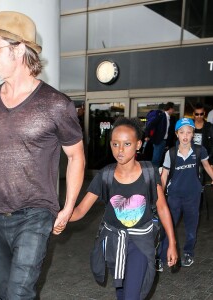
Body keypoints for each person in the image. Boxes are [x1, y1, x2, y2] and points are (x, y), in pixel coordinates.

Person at [0, 11, 85, 300]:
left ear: (18, 49)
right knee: (7, 293)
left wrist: (68, 206)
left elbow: (76, 157)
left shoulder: (56, 104)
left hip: (35, 214)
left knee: (19, 293)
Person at [58, 118, 177, 300]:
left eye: (126, 144)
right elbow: (80, 210)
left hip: (141, 243)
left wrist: (172, 244)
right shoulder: (105, 176)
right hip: (114, 242)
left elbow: (161, 207)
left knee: (131, 295)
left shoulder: (149, 172)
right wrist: (57, 217)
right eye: (115, 144)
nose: (120, 150)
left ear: (138, 144)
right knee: (121, 292)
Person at [159, 118, 213, 268]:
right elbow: (164, 175)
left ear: (193, 134)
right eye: (182, 132)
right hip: (174, 197)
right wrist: (160, 196)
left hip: (193, 197)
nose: (185, 135)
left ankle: (188, 252)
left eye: (189, 132)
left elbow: (208, 167)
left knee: (191, 228)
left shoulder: (199, 150)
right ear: (176, 134)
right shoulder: (170, 153)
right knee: (167, 226)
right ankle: (162, 256)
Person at [144, 102, 175, 167]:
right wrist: (147, 135)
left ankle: (156, 173)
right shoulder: (161, 116)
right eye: (173, 109)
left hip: (163, 141)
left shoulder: (169, 118)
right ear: (170, 109)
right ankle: (153, 174)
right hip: (158, 141)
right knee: (156, 159)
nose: (173, 111)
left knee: (159, 159)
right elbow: (151, 125)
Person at [193, 102, 213, 183]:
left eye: (201, 114)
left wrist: (211, 161)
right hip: (191, 156)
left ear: (204, 113)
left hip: (205, 157)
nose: (199, 116)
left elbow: (212, 144)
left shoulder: (209, 127)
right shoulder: (189, 125)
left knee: (202, 181)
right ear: (194, 114)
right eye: (197, 114)